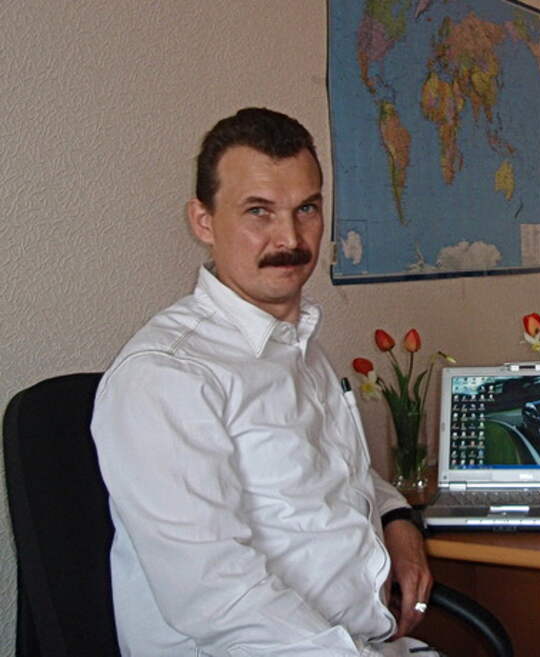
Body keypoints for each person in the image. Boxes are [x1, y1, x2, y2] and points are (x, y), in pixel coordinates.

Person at [92, 107, 434, 657]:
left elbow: (333, 475)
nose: (290, 238)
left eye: (306, 209)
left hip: (361, 641)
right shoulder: (168, 376)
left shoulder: (297, 346)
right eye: (259, 212)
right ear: (203, 222)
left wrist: (397, 519)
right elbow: (220, 601)